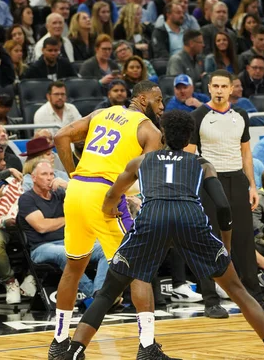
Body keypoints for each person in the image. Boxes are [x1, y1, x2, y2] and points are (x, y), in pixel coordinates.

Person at [62, 110, 264, 360]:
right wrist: (224, 246)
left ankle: (74, 352)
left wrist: (109, 211)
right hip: (189, 220)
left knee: (109, 291)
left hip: (153, 219)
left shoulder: (141, 162)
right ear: (189, 139)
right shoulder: (202, 165)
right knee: (238, 291)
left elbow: (112, 195)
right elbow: (223, 207)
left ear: (162, 134)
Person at [47, 80, 165, 359]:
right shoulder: (149, 129)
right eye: (158, 100)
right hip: (105, 195)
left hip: (76, 191)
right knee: (138, 268)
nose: (161, 106)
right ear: (143, 99)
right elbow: (146, 176)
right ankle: (147, 347)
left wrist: (74, 174)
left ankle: (59, 342)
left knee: (73, 267)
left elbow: (61, 137)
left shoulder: (102, 113)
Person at [186, 70, 264, 317]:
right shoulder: (198, 115)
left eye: (223, 86)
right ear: (208, 88)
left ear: (231, 89)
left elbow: (246, 153)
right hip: (209, 181)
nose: (219, 90)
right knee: (209, 240)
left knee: (243, 241)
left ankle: (255, 297)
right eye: (215, 86)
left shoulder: (241, 115)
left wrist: (252, 185)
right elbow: (190, 155)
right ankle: (210, 301)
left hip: (237, 179)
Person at [19, 160, 108, 304]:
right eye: (44, 174)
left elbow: (88, 202)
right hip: (42, 248)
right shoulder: (27, 199)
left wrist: (68, 186)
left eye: (51, 174)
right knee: (65, 253)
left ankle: (100, 292)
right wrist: (68, 219)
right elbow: (42, 226)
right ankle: (97, 298)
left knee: (106, 249)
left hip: (69, 241)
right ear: (33, 178)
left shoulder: (60, 194)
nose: (49, 177)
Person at [0, 149, 36, 304]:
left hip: (16, 225)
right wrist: (1, 222)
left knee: (40, 230)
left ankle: (33, 276)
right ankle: (10, 282)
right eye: (0, 161)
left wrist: (16, 218)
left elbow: (22, 203)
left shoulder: (15, 182)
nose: (4, 164)